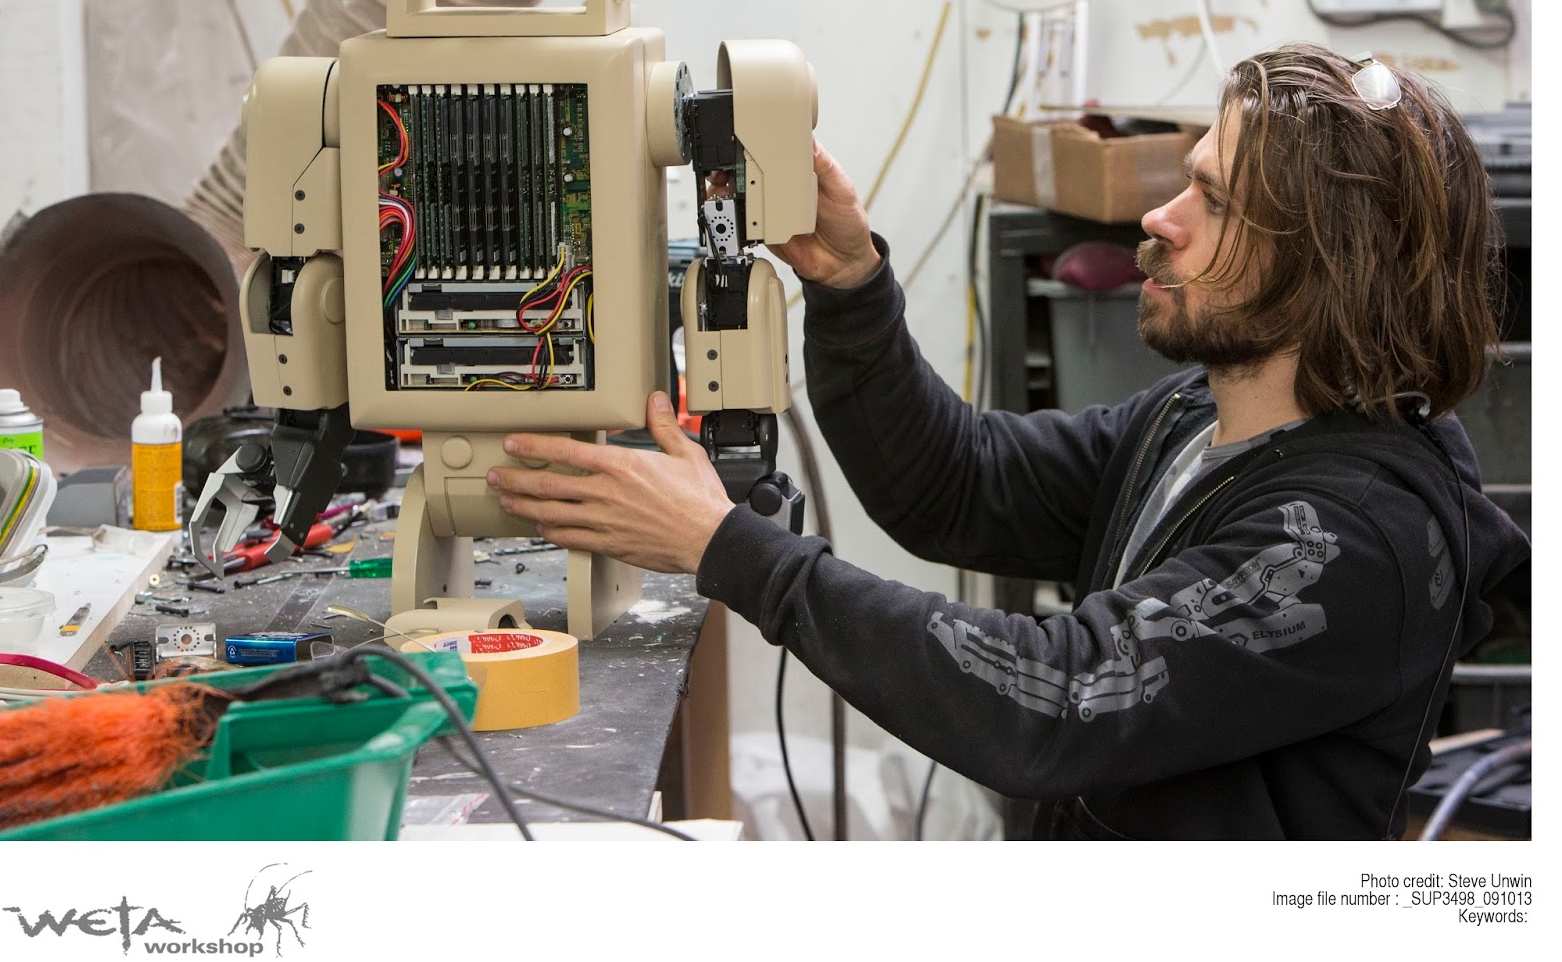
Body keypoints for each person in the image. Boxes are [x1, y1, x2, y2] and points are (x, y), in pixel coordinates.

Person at [486, 42, 1529, 839]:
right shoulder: (1196, 419)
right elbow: (956, 483)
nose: (1159, 218)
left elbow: (1058, 699)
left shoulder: (1351, 542)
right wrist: (850, 285)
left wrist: (731, 548)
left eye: (1213, 202)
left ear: (1330, 265)